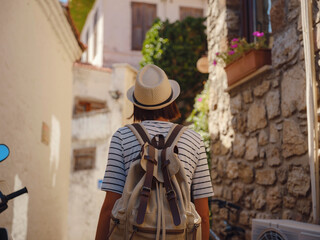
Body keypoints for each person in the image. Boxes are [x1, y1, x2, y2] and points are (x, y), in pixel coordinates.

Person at [95, 64, 214, 240]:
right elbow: (203, 215)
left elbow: (109, 207)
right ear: (171, 101)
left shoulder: (122, 136)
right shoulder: (194, 139)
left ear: (137, 104)